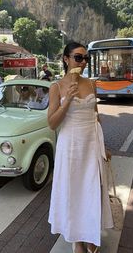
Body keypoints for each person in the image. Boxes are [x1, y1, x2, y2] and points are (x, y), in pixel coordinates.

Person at [48, 42, 113, 253]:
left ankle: (91, 232)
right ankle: (77, 238)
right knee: (74, 192)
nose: (83, 62)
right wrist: (67, 102)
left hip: (92, 143)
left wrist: (104, 146)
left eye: (86, 58)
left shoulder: (91, 84)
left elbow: (96, 115)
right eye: (78, 57)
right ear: (66, 59)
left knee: (94, 190)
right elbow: (52, 123)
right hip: (71, 148)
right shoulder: (56, 87)